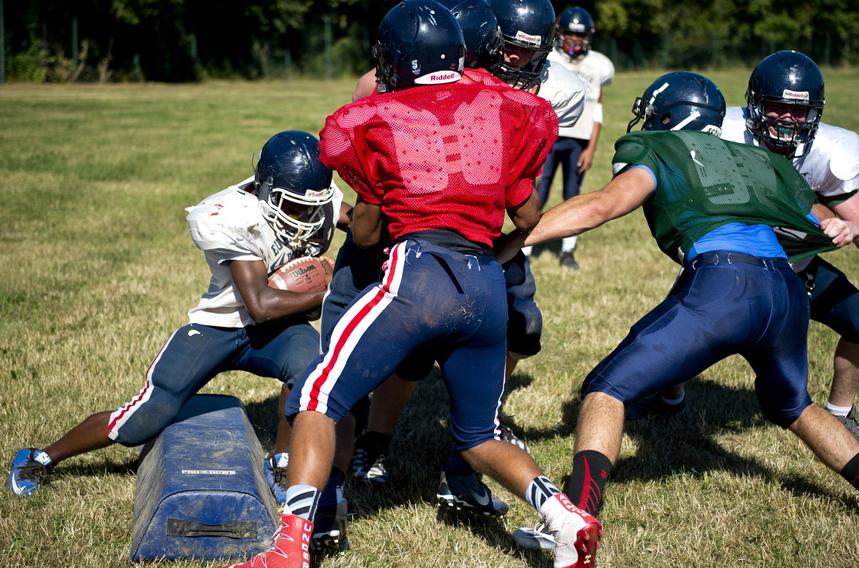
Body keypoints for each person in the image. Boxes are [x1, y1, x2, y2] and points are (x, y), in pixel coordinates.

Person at [228, 3, 601, 568]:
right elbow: (526, 219)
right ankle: (564, 517)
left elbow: (373, 229)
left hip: (418, 271)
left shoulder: (380, 119)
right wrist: (494, 251)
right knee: (477, 433)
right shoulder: (505, 110)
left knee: (317, 396)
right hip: (484, 285)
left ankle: (290, 548)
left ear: (396, 59)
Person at [505, 71, 859, 547]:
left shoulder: (658, 147)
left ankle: (574, 525)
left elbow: (603, 206)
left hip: (723, 284)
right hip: (784, 288)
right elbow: (819, 223)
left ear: (669, 116)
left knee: (606, 389)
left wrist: (516, 241)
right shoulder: (762, 159)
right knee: (797, 406)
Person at [335, 0, 587, 521]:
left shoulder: (558, 91)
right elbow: (374, 101)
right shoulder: (431, 66)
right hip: (409, 226)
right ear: (476, 45)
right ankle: (371, 443)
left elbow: (522, 197)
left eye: (527, 53)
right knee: (393, 348)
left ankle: (466, 455)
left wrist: (505, 248)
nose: (515, 63)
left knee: (522, 329)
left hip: (483, 228)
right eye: (506, 51)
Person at [7, 131, 344, 499]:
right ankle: (42, 457)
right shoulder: (229, 217)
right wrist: (327, 293)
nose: (307, 218)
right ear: (265, 190)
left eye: (312, 207)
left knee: (310, 369)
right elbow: (259, 304)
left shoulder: (314, 199)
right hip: (222, 325)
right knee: (142, 419)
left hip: (277, 329)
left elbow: (357, 220)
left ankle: (281, 461)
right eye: (294, 208)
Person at [722, 50, 859, 460]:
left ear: (814, 113)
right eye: (777, 107)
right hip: (731, 268)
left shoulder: (827, 152)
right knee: (687, 345)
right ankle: (668, 395)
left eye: (798, 111)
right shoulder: (724, 132)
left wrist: (849, 226)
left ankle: (840, 414)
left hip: (794, 268)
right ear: (755, 104)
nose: (786, 119)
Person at [532, 6, 614, 269]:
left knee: (573, 195)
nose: (576, 40)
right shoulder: (549, 58)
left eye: (580, 35)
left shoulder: (598, 65)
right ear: (559, 33)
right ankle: (524, 249)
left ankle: (568, 251)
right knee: (537, 194)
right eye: (570, 34)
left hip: (578, 140)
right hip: (550, 137)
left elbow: (597, 109)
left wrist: (591, 147)